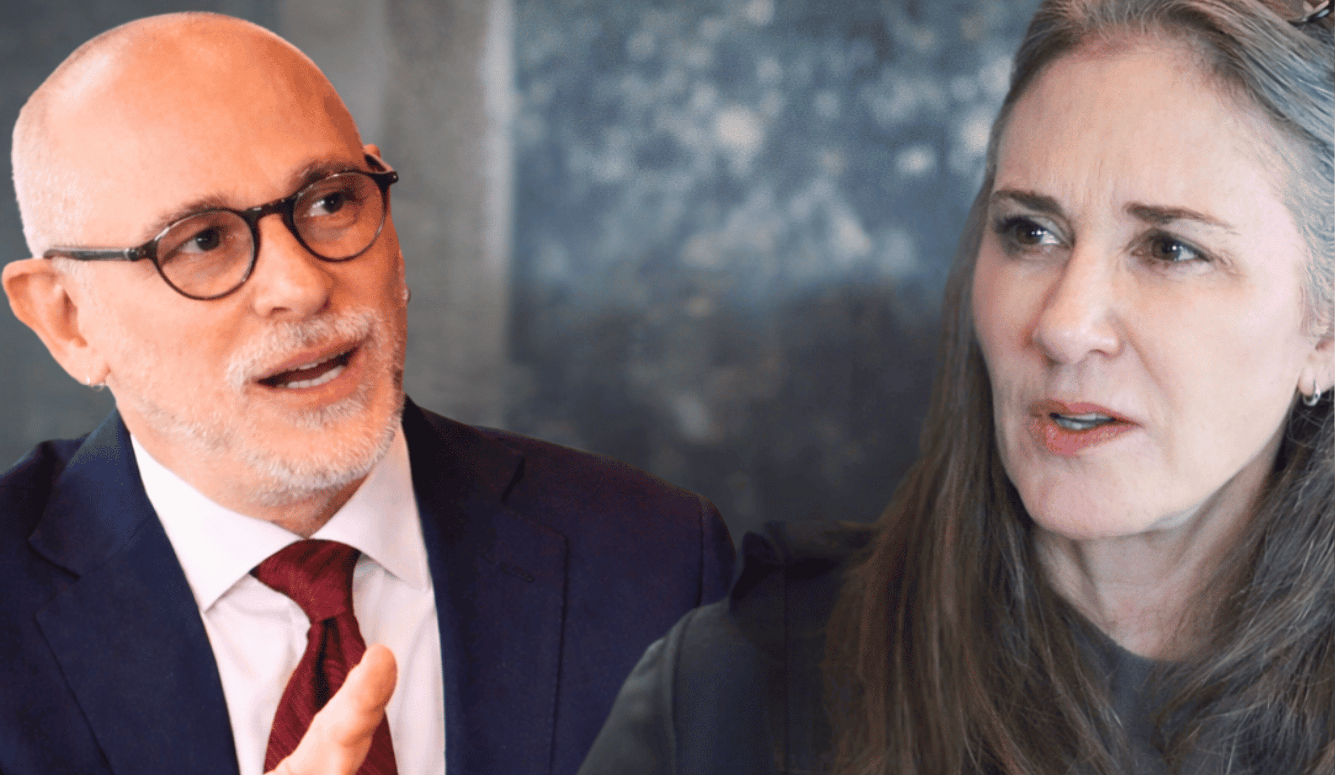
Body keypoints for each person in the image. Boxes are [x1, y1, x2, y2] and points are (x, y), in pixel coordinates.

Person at [577, 0, 1334, 773]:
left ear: (1325, 330)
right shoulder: (729, 693)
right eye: (1030, 232)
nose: (1063, 324)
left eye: (1170, 249)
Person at [0, 12, 735, 775]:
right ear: (68, 319)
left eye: (328, 202)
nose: (302, 284)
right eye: (204, 241)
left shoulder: (659, 559)